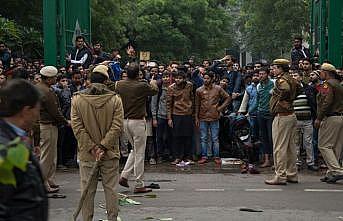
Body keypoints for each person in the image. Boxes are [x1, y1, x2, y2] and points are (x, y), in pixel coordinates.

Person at [71, 65, 123, 221]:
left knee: (87, 191)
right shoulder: (115, 100)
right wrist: (103, 146)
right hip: (110, 152)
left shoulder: (77, 100)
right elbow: (117, 126)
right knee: (111, 190)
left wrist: (92, 147)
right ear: (106, 81)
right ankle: (112, 218)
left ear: (89, 81)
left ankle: (87, 218)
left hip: (87, 153)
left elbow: (77, 127)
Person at [0, 79, 48, 221]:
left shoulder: (13, 138)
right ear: (26, 111)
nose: (37, 116)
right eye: (37, 110)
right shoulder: (5, 148)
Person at [116, 62, 158, 193]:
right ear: (138, 74)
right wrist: (153, 82)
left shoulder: (119, 84)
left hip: (124, 121)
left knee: (134, 150)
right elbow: (154, 91)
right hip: (138, 122)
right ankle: (139, 184)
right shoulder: (142, 86)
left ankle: (124, 175)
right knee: (140, 153)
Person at [265, 59, 301, 185]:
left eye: (275, 67)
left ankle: (280, 175)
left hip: (282, 116)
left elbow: (284, 90)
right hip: (291, 115)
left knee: (279, 147)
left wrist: (278, 96)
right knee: (290, 147)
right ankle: (292, 174)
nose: (273, 70)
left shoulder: (281, 80)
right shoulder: (291, 78)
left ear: (281, 68)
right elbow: (299, 89)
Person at [36, 66, 69, 193]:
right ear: (49, 79)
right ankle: (43, 182)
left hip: (45, 124)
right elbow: (55, 111)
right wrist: (66, 122)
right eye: (54, 77)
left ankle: (49, 179)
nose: (56, 79)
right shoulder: (47, 91)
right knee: (47, 156)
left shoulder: (39, 87)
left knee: (51, 154)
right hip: (47, 124)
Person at [314, 63, 343, 183]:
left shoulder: (328, 84)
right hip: (339, 117)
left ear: (326, 72)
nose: (319, 73)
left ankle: (337, 171)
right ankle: (331, 173)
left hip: (331, 117)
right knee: (336, 147)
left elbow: (326, 102)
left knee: (324, 145)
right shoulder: (338, 84)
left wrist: (319, 118)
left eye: (321, 71)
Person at [196, 72, 231, 165]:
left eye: (207, 78)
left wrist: (220, 108)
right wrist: (196, 117)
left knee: (215, 138)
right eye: (204, 78)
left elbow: (228, 98)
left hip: (214, 116)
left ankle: (216, 156)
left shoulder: (218, 88)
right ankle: (204, 156)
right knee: (203, 138)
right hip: (202, 116)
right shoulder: (199, 90)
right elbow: (197, 105)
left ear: (212, 79)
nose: (205, 80)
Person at [167, 70, 195, 165]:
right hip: (176, 114)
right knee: (176, 137)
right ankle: (177, 157)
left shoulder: (189, 85)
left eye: (180, 78)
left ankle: (188, 157)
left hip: (188, 113)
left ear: (184, 79)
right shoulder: (171, 88)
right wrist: (169, 118)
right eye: (176, 78)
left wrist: (193, 113)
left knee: (188, 136)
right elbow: (169, 104)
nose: (178, 80)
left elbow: (193, 98)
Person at [256, 67, 274, 168]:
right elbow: (258, 99)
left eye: (263, 74)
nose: (261, 76)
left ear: (267, 74)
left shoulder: (274, 83)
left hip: (271, 113)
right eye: (260, 74)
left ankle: (275, 160)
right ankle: (267, 160)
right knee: (263, 137)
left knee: (272, 137)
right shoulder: (259, 85)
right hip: (261, 112)